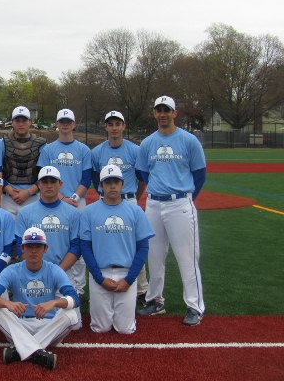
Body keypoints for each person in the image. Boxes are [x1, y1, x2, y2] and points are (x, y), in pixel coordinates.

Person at [135, 96, 206, 326]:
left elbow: (199, 174)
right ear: (154, 113)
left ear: (175, 113)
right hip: (154, 204)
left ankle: (195, 306)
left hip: (180, 203)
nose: (163, 114)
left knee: (187, 257)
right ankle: (155, 300)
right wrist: (158, 191)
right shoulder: (147, 143)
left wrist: (186, 199)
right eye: (159, 110)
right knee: (154, 256)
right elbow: (144, 173)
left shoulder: (189, 140)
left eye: (167, 110)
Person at [0, 227, 81, 370]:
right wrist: (7, 303)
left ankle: (20, 351)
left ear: (45, 249)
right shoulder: (12, 270)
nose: (33, 251)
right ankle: (37, 352)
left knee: (72, 314)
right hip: (21, 325)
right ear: (22, 248)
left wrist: (54, 302)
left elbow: (75, 299)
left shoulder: (54, 270)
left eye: (38, 246)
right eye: (29, 246)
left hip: (49, 326)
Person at [80, 165, 155, 334]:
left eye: (116, 182)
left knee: (125, 330)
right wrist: (99, 278)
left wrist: (129, 279)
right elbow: (85, 247)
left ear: (123, 184)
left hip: (126, 273)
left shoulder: (135, 211)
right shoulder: (89, 212)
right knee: (100, 328)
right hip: (100, 273)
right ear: (101, 185)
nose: (112, 186)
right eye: (108, 182)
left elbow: (143, 247)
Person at [91, 110, 148, 306]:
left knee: (135, 246)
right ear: (105, 127)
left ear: (124, 126)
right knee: (104, 243)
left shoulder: (134, 150)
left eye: (118, 124)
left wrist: (134, 199)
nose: (114, 128)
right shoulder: (97, 151)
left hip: (128, 200)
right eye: (110, 124)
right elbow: (95, 179)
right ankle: (100, 283)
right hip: (104, 201)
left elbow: (142, 178)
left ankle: (142, 290)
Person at [15, 166, 82, 326]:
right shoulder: (25, 212)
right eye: (45, 182)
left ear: (61, 184)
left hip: (63, 273)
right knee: (30, 321)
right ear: (39, 184)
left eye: (53, 181)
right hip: (33, 274)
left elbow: (76, 246)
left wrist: (56, 271)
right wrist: (38, 269)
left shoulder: (72, 213)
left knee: (74, 325)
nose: (49, 185)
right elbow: (19, 244)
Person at [37, 108, 92, 298]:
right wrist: (61, 198)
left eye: (69, 121)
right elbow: (43, 178)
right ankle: (47, 282)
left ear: (74, 124)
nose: (65, 124)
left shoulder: (83, 149)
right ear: (57, 124)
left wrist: (74, 199)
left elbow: (86, 178)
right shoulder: (48, 149)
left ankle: (77, 287)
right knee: (53, 240)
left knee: (78, 245)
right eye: (62, 121)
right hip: (53, 200)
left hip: (78, 202)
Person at [0, 106, 46, 218]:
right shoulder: (2, 143)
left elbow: (45, 175)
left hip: (32, 198)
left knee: (32, 235)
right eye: (17, 121)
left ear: (30, 122)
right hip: (8, 198)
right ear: (12, 122)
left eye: (24, 120)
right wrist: (9, 190)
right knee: (8, 235)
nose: (21, 124)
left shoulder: (41, 145)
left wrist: (28, 192)